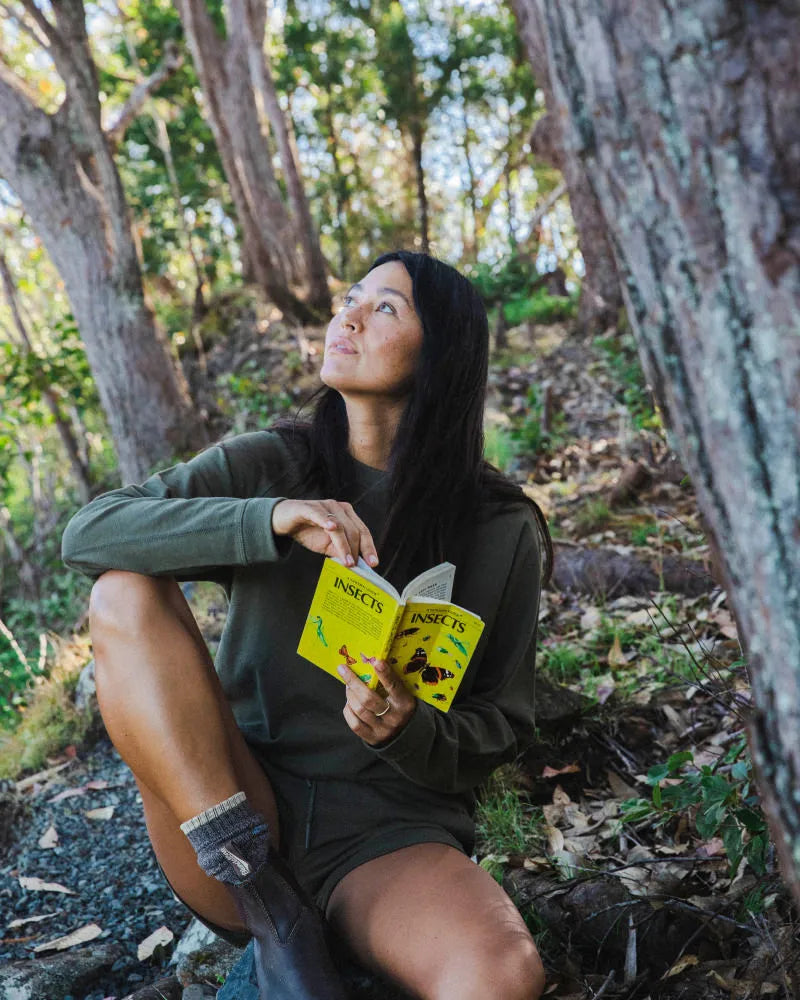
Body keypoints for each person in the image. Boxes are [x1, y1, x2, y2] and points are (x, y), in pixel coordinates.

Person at [61, 250, 553, 1000]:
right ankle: (276, 917)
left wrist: (407, 728)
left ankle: (315, 945)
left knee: (503, 975)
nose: (347, 316)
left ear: (442, 353)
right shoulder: (274, 465)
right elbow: (90, 531)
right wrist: (271, 519)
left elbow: (504, 728)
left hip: (388, 837)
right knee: (123, 593)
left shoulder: (500, 528)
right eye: (350, 299)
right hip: (235, 817)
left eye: (385, 308)